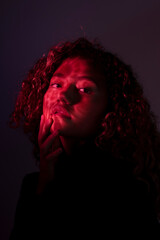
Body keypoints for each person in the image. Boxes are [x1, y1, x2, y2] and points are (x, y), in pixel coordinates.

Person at [9, 38, 160, 238]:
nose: (63, 96)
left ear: (111, 109)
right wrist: (46, 181)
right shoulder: (34, 184)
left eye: (85, 89)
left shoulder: (124, 190)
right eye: (56, 84)